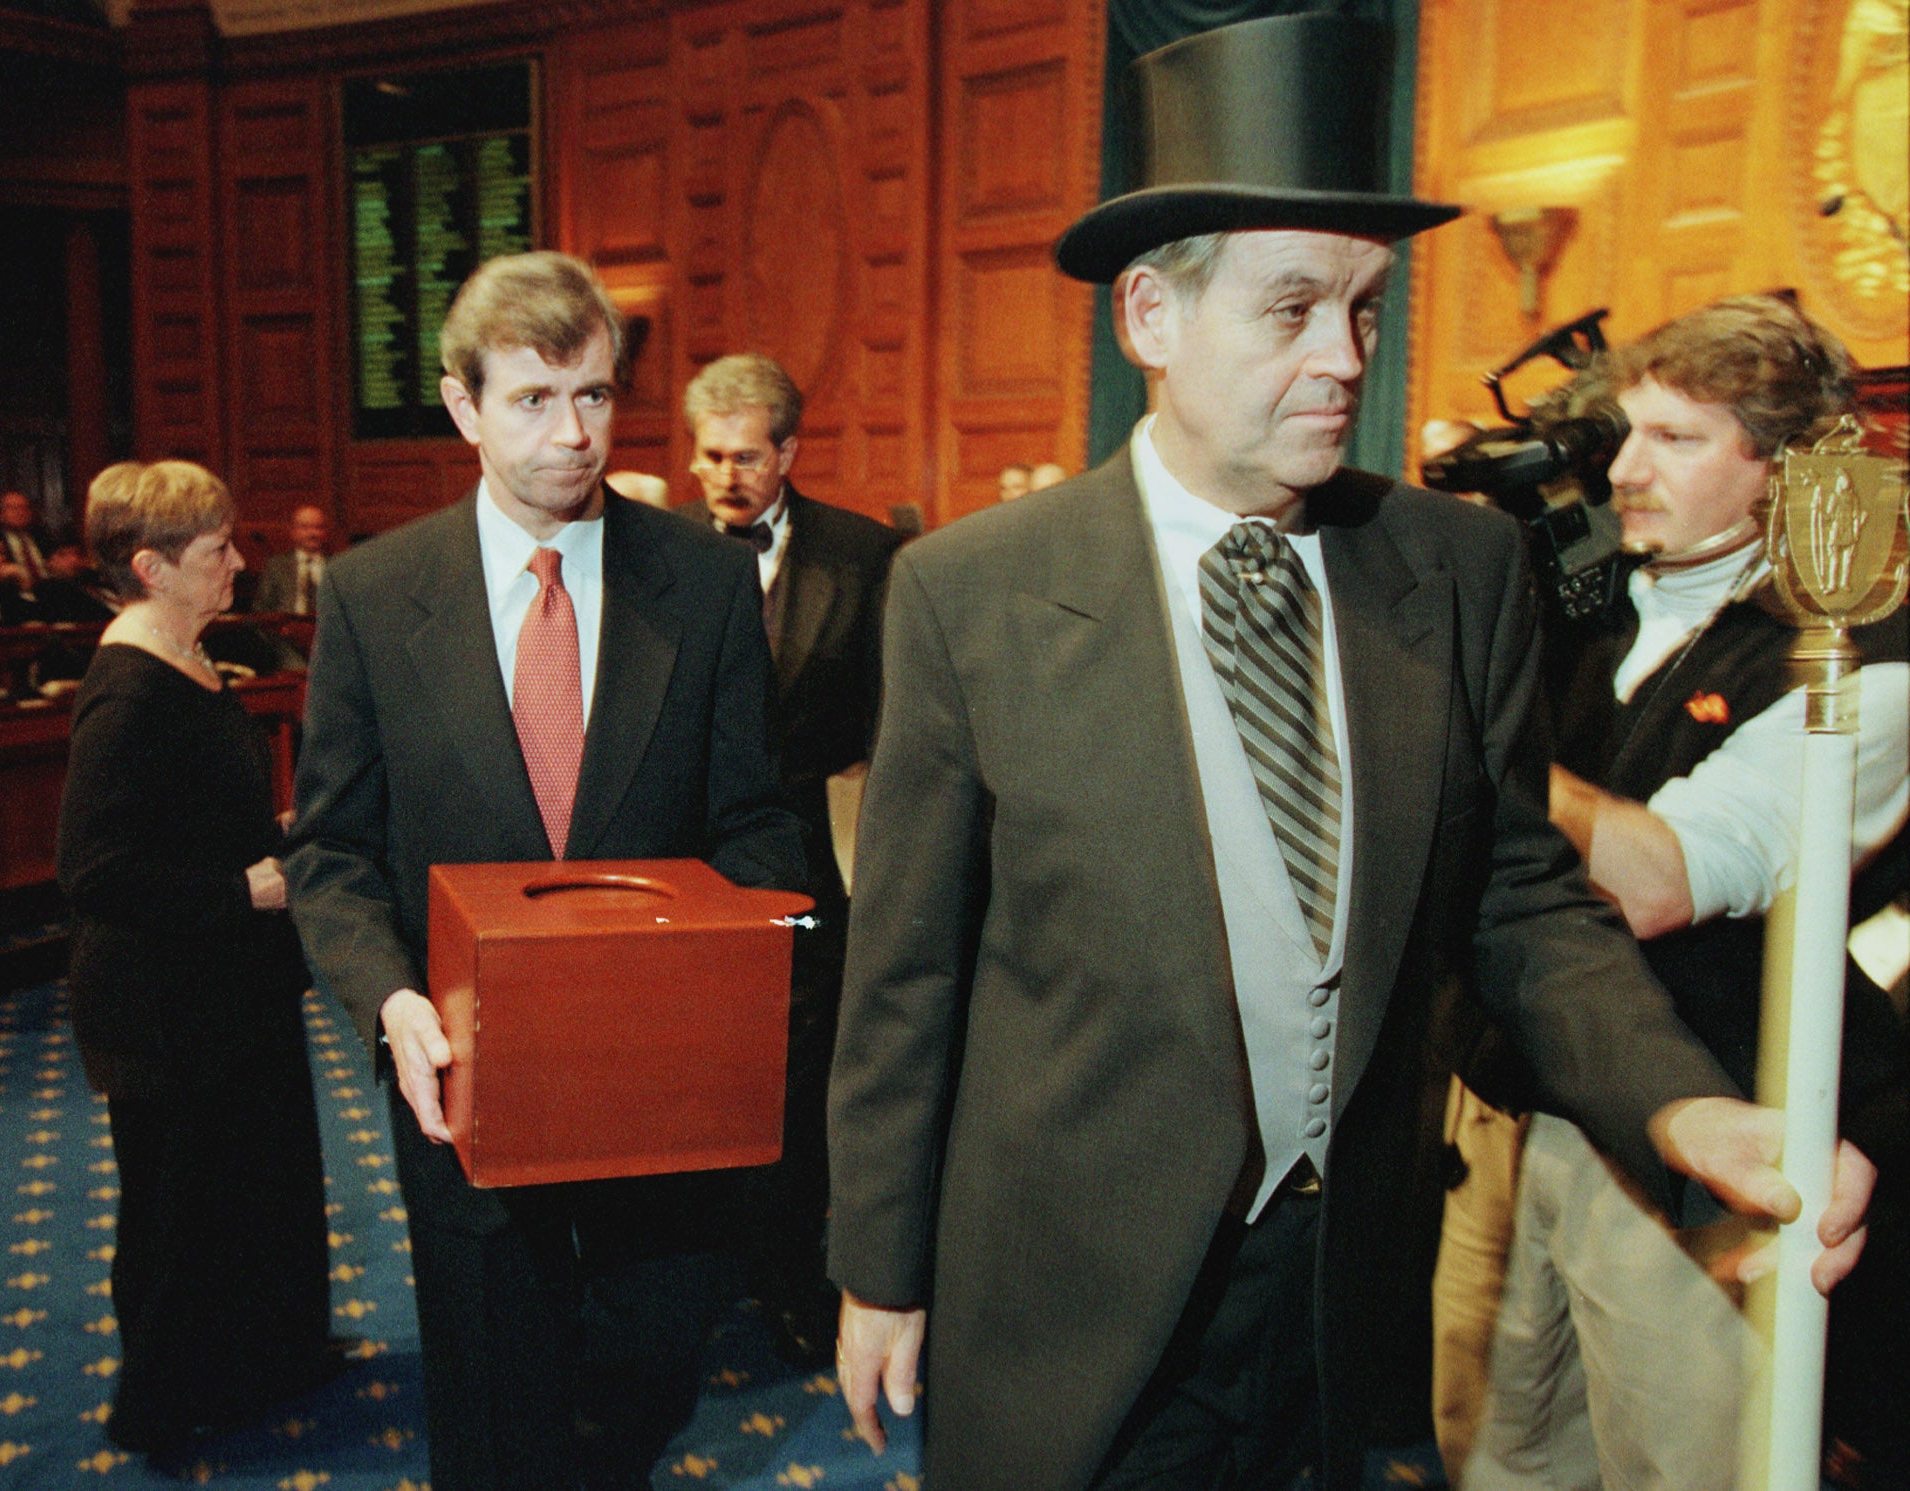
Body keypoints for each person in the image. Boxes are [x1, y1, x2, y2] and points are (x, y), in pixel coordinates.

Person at [824, 17, 1875, 1491]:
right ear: (1151, 317)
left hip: (1338, 1287)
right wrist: (879, 1265)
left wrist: (1682, 1101)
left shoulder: (1452, 565)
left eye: (1367, 308)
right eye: (1294, 307)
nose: (1345, 358)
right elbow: (909, 968)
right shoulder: (973, 591)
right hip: (1073, 1291)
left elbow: (1518, 890)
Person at [284, 251, 805, 1491]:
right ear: (462, 405)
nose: (571, 435)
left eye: (593, 396)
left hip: (660, 1087)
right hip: (461, 1080)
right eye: (531, 399)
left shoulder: (708, 581)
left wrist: (744, 960)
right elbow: (333, 852)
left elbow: (757, 824)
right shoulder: (371, 595)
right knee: (490, 1406)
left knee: (650, 1372)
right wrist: (391, 1004)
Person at [1456, 296, 1908, 1491]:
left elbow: (1661, 879)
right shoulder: (1585, 598)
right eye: (1624, 432)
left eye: (1676, 439)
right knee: (1495, 1451)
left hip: (1711, 1130)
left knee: (1683, 1461)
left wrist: (1453, 728)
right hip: (1517, 1100)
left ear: (1784, 471)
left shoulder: (1863, 650)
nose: (1625, 467)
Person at [54, 458, 335, 1457]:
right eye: (216, 550)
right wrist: (244, 889)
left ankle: (260, 1359)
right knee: (178, 1212)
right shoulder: (128, 690)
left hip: (225, 983)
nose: (236, 564)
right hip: (164, 1004)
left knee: (250, 1183)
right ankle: (165, 1407)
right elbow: (94, 871)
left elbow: (180, 818)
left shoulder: (188, 657)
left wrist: (273, 832)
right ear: (150, 567)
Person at [682, 351, 902, 1361]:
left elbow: (898, 715)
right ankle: (699, 1264)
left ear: (787, 454)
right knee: (696, 1066)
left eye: (742, 456)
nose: (722, 475)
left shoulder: (862, 555)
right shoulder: (653, 553)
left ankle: (789, 1271)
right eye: (707, 456)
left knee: (800, 1073)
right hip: (685, 863)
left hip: (818, 851)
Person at [254, 503, 331, 615]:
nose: (312, 533)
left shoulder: (336, 566)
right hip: (284, 628)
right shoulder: (276, 566)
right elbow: (261, 608)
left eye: (318, 527)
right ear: (293, 531)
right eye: (305, 527)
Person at [0, 489, 49, 593]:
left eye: (24, 508)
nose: (20, 512)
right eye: (13, 508)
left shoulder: (41, 537)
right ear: (1, 515)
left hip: (49, 591)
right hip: (18, 595)